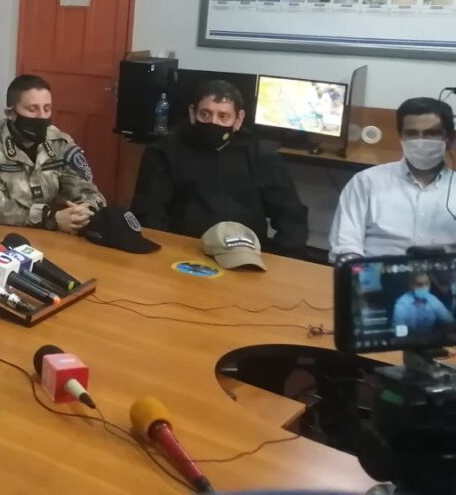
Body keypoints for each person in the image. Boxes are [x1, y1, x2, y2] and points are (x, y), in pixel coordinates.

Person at [131, 80, 308, 254]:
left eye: (223, 116)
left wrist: (278, 261)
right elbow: (149, 214)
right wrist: (166, 253)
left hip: (243, 254)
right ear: (192, 113)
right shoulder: (165, 151)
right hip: (183, 252)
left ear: (238, 119)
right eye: (205, 114)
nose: (213, 122)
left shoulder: (261, 155)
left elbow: (292, 218)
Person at [0, 74, 105, 232]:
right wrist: (48, 218)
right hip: (2, 234)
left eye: (47, 109)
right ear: (11, 113)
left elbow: (89, 193)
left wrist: (85, 212)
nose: (42, 117)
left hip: (51, 235)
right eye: (32, 109)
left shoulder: (60, 143)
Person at [329, 97, 456, 263]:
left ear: (450, 139)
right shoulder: (366, 182)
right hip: (376, 274)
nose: (420, 142)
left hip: (444, 276)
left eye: (432, 133)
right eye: (411, 134)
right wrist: (357, 271)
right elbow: (345, 243)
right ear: (401, 137)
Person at [392, 272, 455, 338]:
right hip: (408, 341)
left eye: (426, 283)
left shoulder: (432, 299)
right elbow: (399, 332)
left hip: (431, 340)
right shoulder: (402, 303)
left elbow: (450, 322)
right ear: (411, 286)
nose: (424, 287)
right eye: (419, 284)